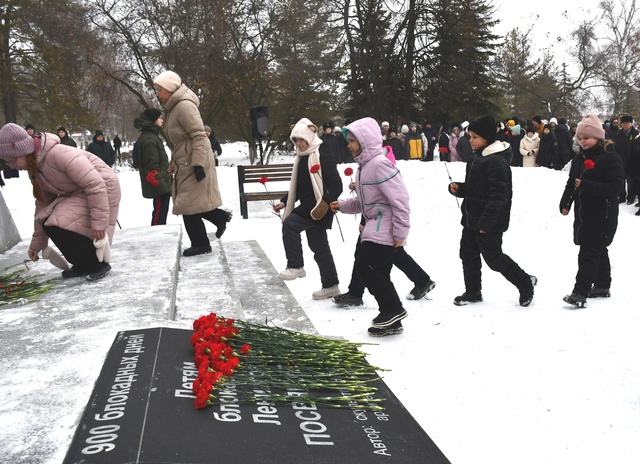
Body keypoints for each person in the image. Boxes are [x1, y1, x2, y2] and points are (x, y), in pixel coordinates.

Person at [0, 123, 120, 280]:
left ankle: (98, 264)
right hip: (79, 192)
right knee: (48, 221)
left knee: (57, 222)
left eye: (13, 160)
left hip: (103, 189)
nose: (12, 165)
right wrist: (38, 244)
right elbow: (42, 205)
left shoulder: (59, 155)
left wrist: (99, 224)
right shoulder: (36, 167)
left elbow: (94, 184)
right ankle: (81, 263)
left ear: (22, 151)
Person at [330, 117, 411, 337]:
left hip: (383, 229)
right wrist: (343, 205)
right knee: (377, 273)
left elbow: (400, 200)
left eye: (353, 140)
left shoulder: (379, 164)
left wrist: (401, 233)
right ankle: (391, 320)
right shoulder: (363, 168)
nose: (349, 145)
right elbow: (365, 204)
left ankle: (393, 309)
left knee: (369, 268)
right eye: (348, 140)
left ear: (365, 141)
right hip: (374, 227)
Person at [448, 114, 537, 307]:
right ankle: (473, 292)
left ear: (487, 138)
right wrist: (459, 188)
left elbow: (499, 196)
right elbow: (476, 189)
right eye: (469, 136)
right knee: (468, 255)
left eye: (474, 137)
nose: (470, 140)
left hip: (489, 223)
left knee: (494, 259)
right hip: (471, 220)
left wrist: (486, 224)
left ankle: (525, 283)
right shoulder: (476, 159)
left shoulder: (496, 162)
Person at [333, 149, 435, 307]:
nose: (350, 145)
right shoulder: (367, 162)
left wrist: (399, 233)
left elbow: (392, 196)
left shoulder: (381, 161)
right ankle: (356, 293)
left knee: (384, 256)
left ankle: (396, 300)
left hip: (383, 222)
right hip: (374, 219)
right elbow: (371, 196)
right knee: (369, 255)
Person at [153, 70, 232, 256]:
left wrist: (198, 164)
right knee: (189, 203)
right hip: (185, 160)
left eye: (159, 89)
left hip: (194, 160)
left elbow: (198, 135)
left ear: (170, 89)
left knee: (187, 204)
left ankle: (201, 243)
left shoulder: (184, 106)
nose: (157, 94)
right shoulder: (174, 108)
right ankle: (218, 218)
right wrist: (174, 162)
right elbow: (180, 142)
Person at [273, 118, 342, 300]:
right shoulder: (302, 157)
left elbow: (336, 186)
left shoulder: (322, 156)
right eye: (295, 140)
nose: (299, 143)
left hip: (318, 207)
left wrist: (324, 204)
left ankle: (295, 266)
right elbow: (300, 186)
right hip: (309, 206)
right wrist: (285, 200)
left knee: (290, 224)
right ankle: (331, 285)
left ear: (310, 137)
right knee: (319, 246)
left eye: (301, 139)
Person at [560, 113, 624, 308]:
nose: (582, 141)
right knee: (597, 248)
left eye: (586, 137)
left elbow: (616, 188)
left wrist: (587, 185)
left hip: (603, 214)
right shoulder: (580, 158)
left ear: (598, 137)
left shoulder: (610, 157)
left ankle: (580, 292)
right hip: (584, 212)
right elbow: (572, 183)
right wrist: (566, 202)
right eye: (579, 138)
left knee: (588, 251)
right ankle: (603, 286)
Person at [134, 108, 172, 225]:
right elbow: (151, 167)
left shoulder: (152, 136)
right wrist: (162, 187)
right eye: (160, 118)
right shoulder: (149, 139)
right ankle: (157, 238)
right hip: (159, 186)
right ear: (153, 120)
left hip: (161, 183)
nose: (162, 120)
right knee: (159, 216)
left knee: (161, 213)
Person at [613, 115, 638, 204]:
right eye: (623, 123)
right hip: (621, 159)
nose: (625, 125)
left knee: (631, 179)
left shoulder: (636, 134)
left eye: (627, 123)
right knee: (621, 178)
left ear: (631, 123)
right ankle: (622, 195)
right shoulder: (618, 135)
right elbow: (615, 147)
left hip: (633, 160)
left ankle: (631, 196)